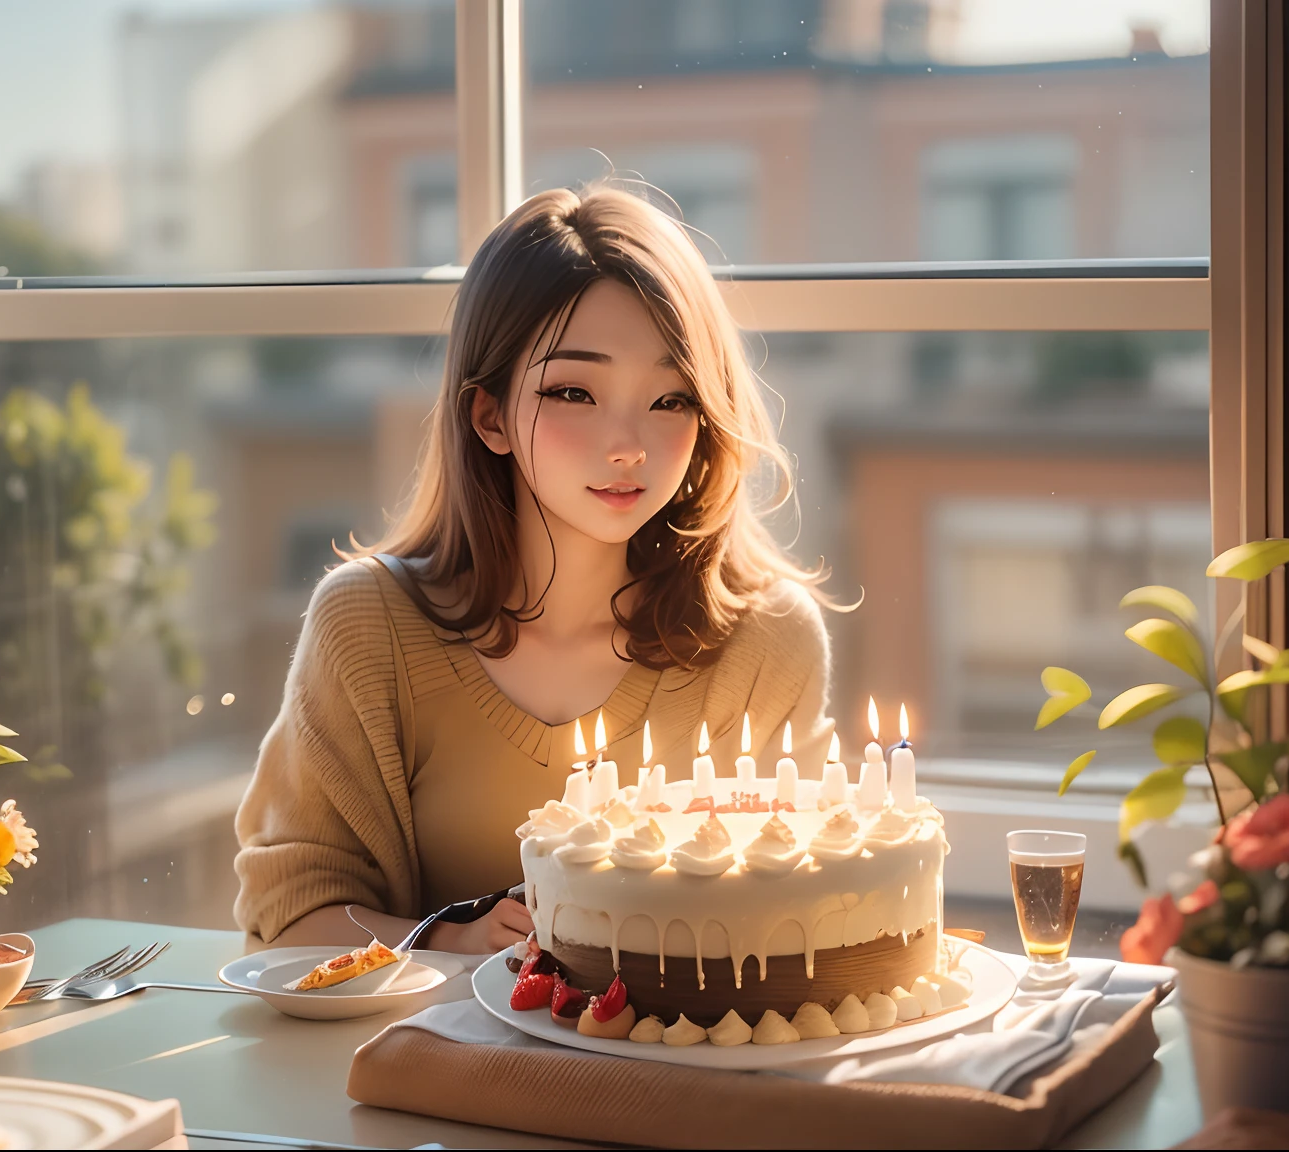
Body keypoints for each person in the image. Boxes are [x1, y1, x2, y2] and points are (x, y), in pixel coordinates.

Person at [234, 184, 837, 954]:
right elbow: (291, 908)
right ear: (488, 415)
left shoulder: (765, 639)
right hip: (428, 1068)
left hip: (684, 1072)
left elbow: (806, 909)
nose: (628, 444)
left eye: (671, 399)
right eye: (574, 391)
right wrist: (452, 944)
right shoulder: (367, 625)